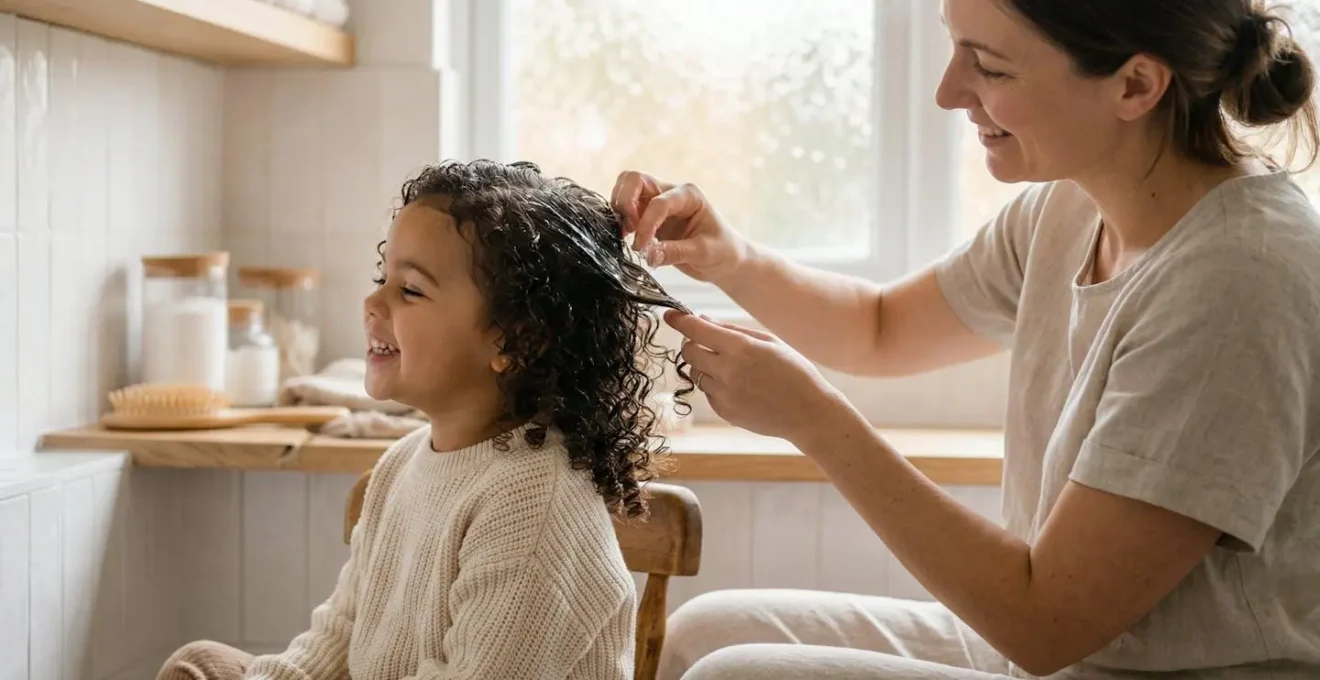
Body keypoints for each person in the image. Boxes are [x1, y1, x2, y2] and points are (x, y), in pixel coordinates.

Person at [613, 0, 1320, 678]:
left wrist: (814, 421)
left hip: (1129, 662)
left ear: (1135, 85)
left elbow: (1045, 623)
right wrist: (728, 256)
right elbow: (880, 328)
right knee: (709, 630)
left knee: (740, 676)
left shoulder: (1238, 280)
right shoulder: (1071, 207)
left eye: (990, 66)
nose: (949, 93)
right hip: (1063, 650)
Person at [156, 159, 696, 680]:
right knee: (201, 664)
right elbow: (339, 637)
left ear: (516, 340)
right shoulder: (402, 465)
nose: (373, 302)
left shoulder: (536, 505)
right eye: (382, 277)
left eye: (410, 289)